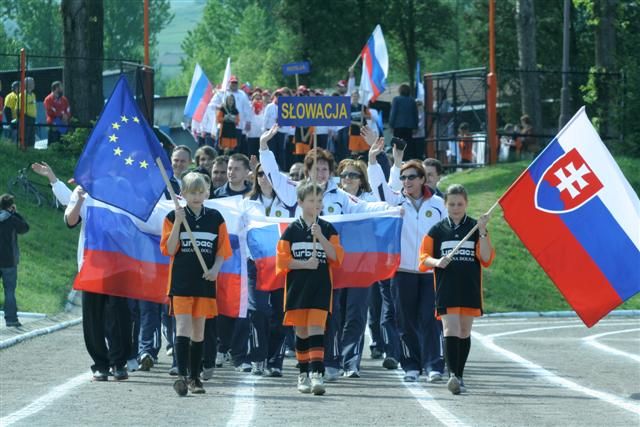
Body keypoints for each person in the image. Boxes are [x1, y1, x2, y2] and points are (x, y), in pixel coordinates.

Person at [368, 138, 447, 383]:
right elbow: (378, 186)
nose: (406, 181)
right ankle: (411, 365)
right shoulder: (395, 201)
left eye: (411, 177)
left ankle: (434, 365)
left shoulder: (438, 205)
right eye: (403, 178)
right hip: (402, 272)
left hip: (430, 271)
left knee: (430, 320)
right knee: (405, 322)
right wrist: (372, 161)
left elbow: (447, 234)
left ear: (422, 179)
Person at [160, 172, 232, 396]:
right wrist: (178, 222)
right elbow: (169, 249)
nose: (197, 196)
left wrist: (215, 270)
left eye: (201, 192)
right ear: (183, 193)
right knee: (183, 327)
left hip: (204, 282)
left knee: (199, 331)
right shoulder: (173, 216)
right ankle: (181, 375)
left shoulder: (215, 218)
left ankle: (195, 377)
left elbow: (222, 250)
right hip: (181, 282)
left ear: (207, 193)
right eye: (192, 192)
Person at [419, 184, 494, 395]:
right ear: (445, 204)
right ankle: (452, 375)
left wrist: (482, 231)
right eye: (451, 204)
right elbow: (423, 259)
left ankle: (459, 375)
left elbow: (486, 258)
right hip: (446, 288)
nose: (455, 208)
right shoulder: (437, 230)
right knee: (450, 329)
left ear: (466, 204)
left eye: (460, 204)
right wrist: (437, 262)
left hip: (470, 288)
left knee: (464, 331)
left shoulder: (475, 228)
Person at [276, 182, 344, 395]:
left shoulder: (328, 229)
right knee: (301, 331)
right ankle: (303, 373)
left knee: (316, 328)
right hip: (297, 289)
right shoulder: (291, 231)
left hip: (321, 288)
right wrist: (304, 264)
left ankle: (317, 373)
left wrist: (321, 236)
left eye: (320, 200)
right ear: (300, 202)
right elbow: (282, 262)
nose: (317, 204)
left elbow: (336, 258)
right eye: (312, 200)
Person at [65, 186, 131, 381]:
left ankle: (119, 363)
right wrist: (80, 199)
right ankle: (101, 364)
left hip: (119, 263)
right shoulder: (82, 189)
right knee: (93, 317)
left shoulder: (123, 187)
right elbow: (70, 221)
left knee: (119, 315)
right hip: (91, 265)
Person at [241, 162, 297, 377]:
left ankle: (275, 361)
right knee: (258, 310)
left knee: (280, 313)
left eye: (269, 174)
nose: (264, 178)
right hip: (255, 265)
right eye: (260, 174)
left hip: (282, 265)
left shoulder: (289, 203)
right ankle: (257, 358)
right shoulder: (247, 203)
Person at [0, 194, 29, 328]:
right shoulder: (12, 219)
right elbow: (25, 228)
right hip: (9, 261)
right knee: (9, 291)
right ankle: (11, 319)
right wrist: (15, 213)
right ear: (11, 206)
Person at [389, 84, 418, 159]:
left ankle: (398, 159)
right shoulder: (412, 100)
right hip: (409, 127)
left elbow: (393, 113)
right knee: (408, 145)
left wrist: (391, 125)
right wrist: (415, 126)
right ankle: (407, 159)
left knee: (398, 145)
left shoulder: (396, 99)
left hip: (398, 126)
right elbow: (415, 114)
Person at [17, 77, 37, 147]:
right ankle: (23, 151)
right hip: (26, 118)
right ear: (27, 84)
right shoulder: (22, 95)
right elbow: (18, 109)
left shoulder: (33, 95)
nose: (34, 84)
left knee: (32, 138)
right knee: (25, 138)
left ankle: (31, 151)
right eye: (32, 83)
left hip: (33, 119)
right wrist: (23, 119)